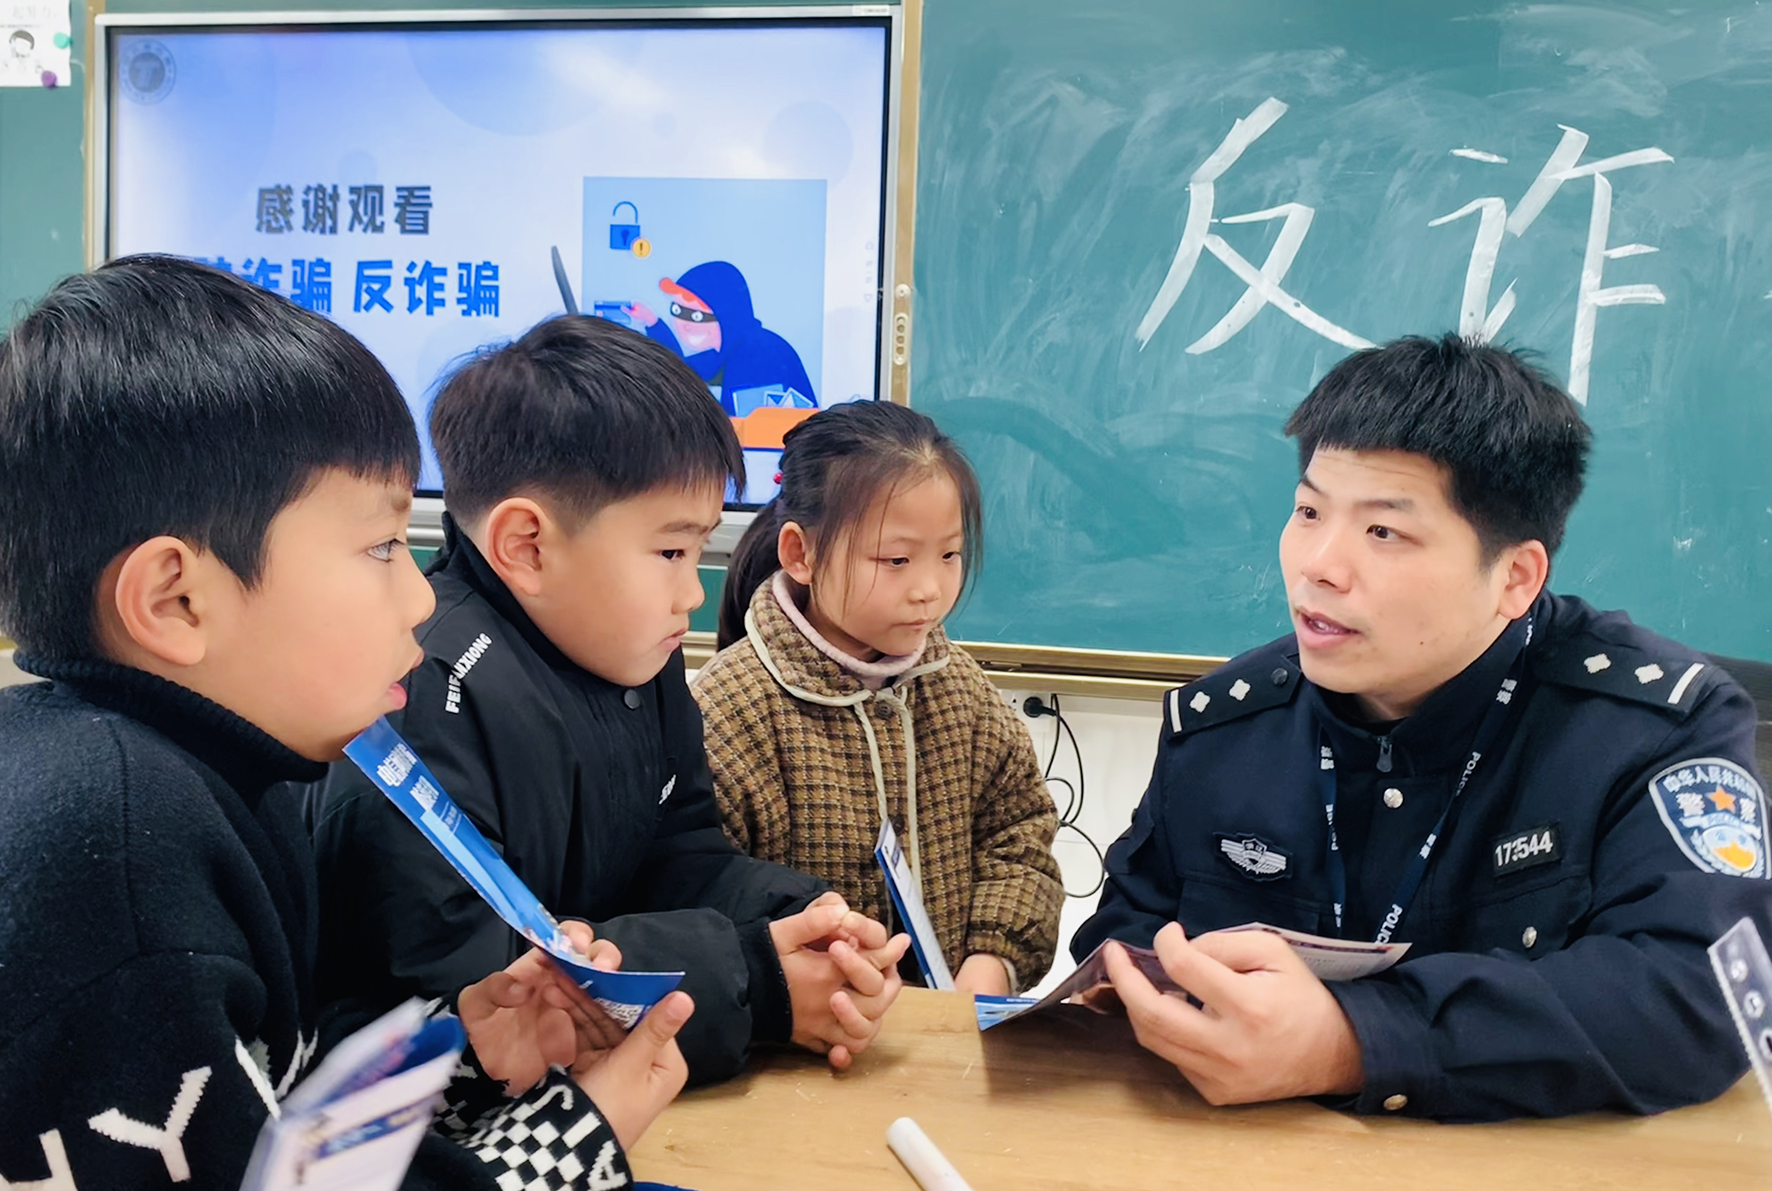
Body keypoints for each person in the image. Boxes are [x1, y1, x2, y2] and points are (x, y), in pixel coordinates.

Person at [0, 256, 691, 1189]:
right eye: (380, 546)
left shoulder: (223, 781)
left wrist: (464, 1064)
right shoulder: (117, 854)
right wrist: (575, 1142)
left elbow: (267, 1133)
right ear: (176, 601)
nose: (420, 598)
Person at [1073, 334, 1772, 1121]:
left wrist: (1353, 1040)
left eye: (1384, 532)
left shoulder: (1653, 727)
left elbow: (1700, 992)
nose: (1319, 565)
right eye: (1308, 511)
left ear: (1515, 577)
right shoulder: (1222, 728)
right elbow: (1121, 943)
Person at [308, 315, 907, 1085]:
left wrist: (800, 919)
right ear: (527, 545)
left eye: (699, 551)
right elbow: (468, 980)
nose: (693, 592)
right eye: (671, 551)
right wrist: (755, 979)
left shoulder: (633, 652)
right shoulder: (421, 691)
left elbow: (677, 853)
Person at [695, 401, 1063, 996]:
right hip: (799, 1037)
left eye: (949, 555)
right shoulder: (730, 713)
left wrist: (989, 968)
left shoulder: (960, 688)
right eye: (896, 560)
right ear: (801, 554)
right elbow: (705, 899)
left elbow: (1019, 835)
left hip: (952, 1026)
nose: (930, 590)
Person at [626, 260, 816, 414]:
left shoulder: (759, 353)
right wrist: (653, 323)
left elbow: (743, 426)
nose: (684, 324)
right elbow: (678, 370)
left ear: (727, 316)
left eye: (697, 316)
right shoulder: (727, 349)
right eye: (678, 311)